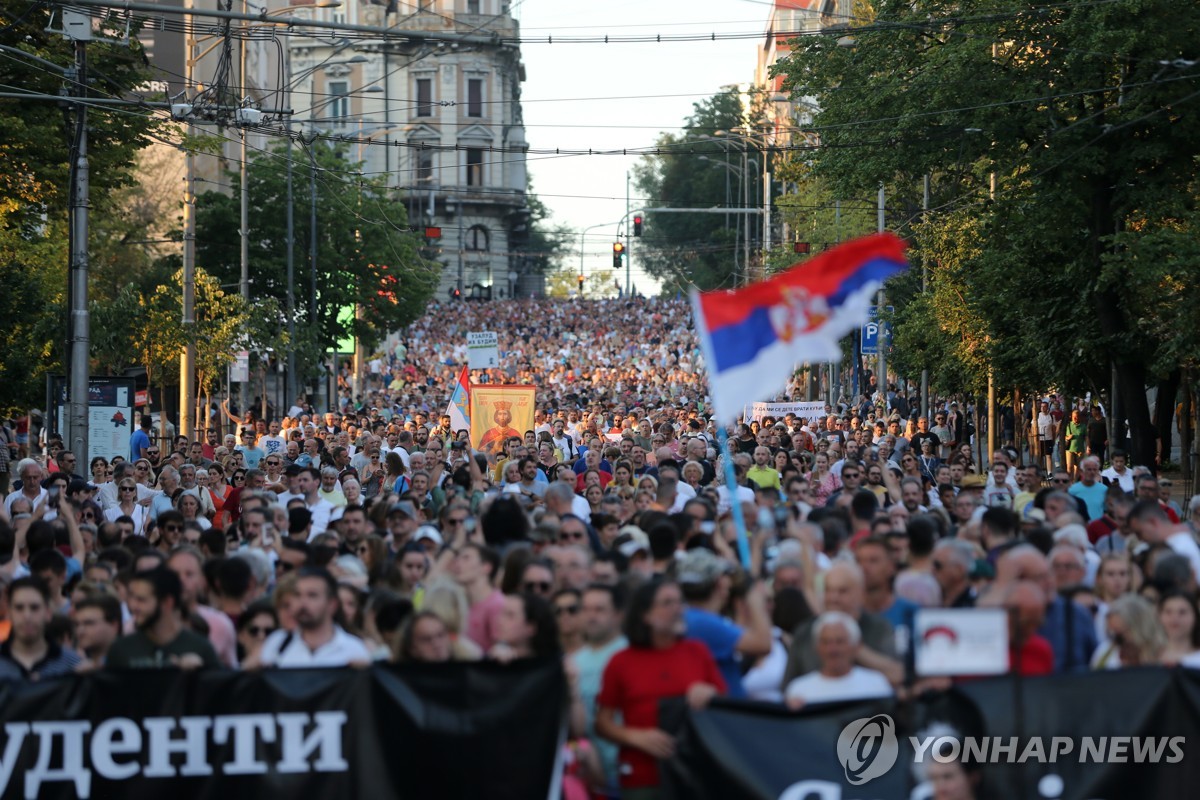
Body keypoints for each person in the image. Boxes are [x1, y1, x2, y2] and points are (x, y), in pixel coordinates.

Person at [596, 579, 724, 799]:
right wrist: (635, 736)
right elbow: (602, 723)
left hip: (695, 772)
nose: (678, 609)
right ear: (645, 615)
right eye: (667, 603)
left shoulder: (697, 652)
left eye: (679, 602)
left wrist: (709, 693)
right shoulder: (620, 662)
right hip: (643, 776)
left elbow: (726, 702)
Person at [677, 548, 771, 699]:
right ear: (718, 583)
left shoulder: (688, 617)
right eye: (724, 576)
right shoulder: (704, 622)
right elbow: (764, 644)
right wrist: (753, 595)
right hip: (722, 715)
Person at [571, 584, 627, 799]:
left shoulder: (629, 655)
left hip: (624, 774)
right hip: (586, 777)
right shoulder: (573, 661)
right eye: (585, 609)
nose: (591, 616)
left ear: (618, 615)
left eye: (599, 609)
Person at [105, 567, 222, 669]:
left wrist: (199, 672)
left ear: (167, 603)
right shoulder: (121, 649)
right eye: (132, 598)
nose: (133, 606)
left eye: (141, 600)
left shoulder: (200, 648)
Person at [258, 567, 371, 667]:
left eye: (312, 595)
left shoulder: (354, 650)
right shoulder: (277, 644)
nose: (303, 603)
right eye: (298, 595)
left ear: (332, 604)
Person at [783, 612, 894, 709]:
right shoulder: (799, 690)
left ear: (855, 646)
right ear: (816, 647)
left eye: (839, 642)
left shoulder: (876, 684)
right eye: (826, 642)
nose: (832, 649)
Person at [0, 577, 81, 680]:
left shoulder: (74, 666)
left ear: (48, 612)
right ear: (9, 612)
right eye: (19, 608)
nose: (27, 616)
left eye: (35, 608)